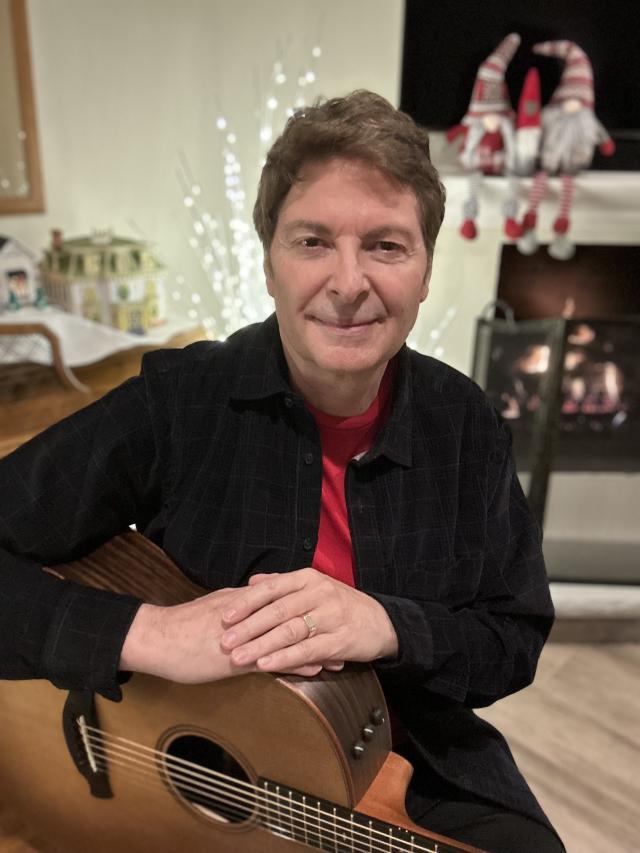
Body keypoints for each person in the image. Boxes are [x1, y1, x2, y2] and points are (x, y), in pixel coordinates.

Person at [0, 90, 564, 852]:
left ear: (427, 270)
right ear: (269, 260)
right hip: (188, 773)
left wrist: (390, 625)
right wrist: (147, 632)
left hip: (408, 764)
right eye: (311, 241)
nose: (347, 281)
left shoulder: (466, 426)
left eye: (387, 245)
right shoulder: (182, 400)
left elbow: (513, 637)